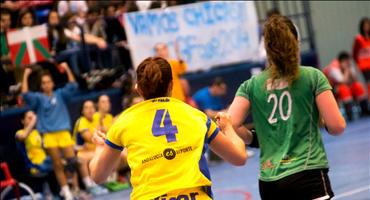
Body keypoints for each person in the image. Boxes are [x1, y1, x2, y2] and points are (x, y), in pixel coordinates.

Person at [89, 57, 247, 199]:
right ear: (171, 85)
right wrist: (228, 128)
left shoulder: (123, 122)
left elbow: (98, 176)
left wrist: (100, 148)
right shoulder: (196, 116)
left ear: (138, 89)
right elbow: (239, 157)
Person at [228, 15, 346, 200]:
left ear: (266, 48)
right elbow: (337, 126)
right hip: (307, 173)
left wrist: (253, 139)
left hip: (270, 181)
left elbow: (232, 123)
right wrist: (322, 120)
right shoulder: (312, 77)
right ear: (296, 42)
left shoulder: (251, 86)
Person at [21, 64, 79, 200]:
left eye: (48, 82)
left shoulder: (60, 94)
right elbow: (25, 94)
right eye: (44, 83)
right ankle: (67, 192)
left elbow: (73, 85)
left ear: (52, 83)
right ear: (41, 86)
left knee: (71, 162)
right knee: (57, 164)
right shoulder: (38, 98)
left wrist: (67, 68)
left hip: (63, 133)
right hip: (49, 135)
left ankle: (72, 186)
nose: (46, 84)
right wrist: (26, 74)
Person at [73, 100, 109, 196]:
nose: (90, 110)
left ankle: (108, 180)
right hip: (79, 151)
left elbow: (105, 134)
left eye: (92, 107)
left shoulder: (97, 118)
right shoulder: (81, 121)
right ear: (82, 111)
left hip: (92, 149)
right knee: (82, 159)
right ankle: (90, 186)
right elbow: (90, 138)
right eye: (86, 107)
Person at [323, 51, 369, 119]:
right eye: (346, 62)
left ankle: (364, 109)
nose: (348, 63)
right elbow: (342, 81)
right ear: (342, 61)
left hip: (343, 85)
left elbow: (355, 80)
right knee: (343, 89)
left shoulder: (348, 64)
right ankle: (349, 112)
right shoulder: (334, 68)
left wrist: (349, 70)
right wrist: (347, 70)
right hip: (330, 90)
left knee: (357, 85)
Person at [15, 111, 52, 175]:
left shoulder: (39, 132)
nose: (33, 120)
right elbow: (23, 136)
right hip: (34, 166)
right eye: (30, 118)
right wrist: (34, 120)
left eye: (33, 118)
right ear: (22, 121)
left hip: (46, 162)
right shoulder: (19, 133)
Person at [352, 17, 370, 98]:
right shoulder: (358, 38)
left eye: (368, 25)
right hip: (365, 66)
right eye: (365, 25)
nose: (366, 27)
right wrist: (358, 63)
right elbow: (354, 53)